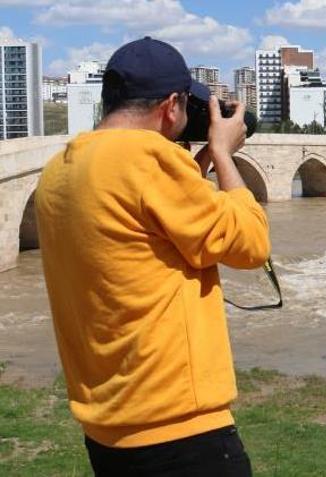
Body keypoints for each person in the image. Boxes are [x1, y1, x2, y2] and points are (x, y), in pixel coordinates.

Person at [35, 37, 269, 476]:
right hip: (180, 431)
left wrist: (194, 164)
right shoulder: (149, 160)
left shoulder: (61, 169)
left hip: (109, 430)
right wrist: (221, 153)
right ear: (171, 106)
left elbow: (142, 220)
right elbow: (251, 244)